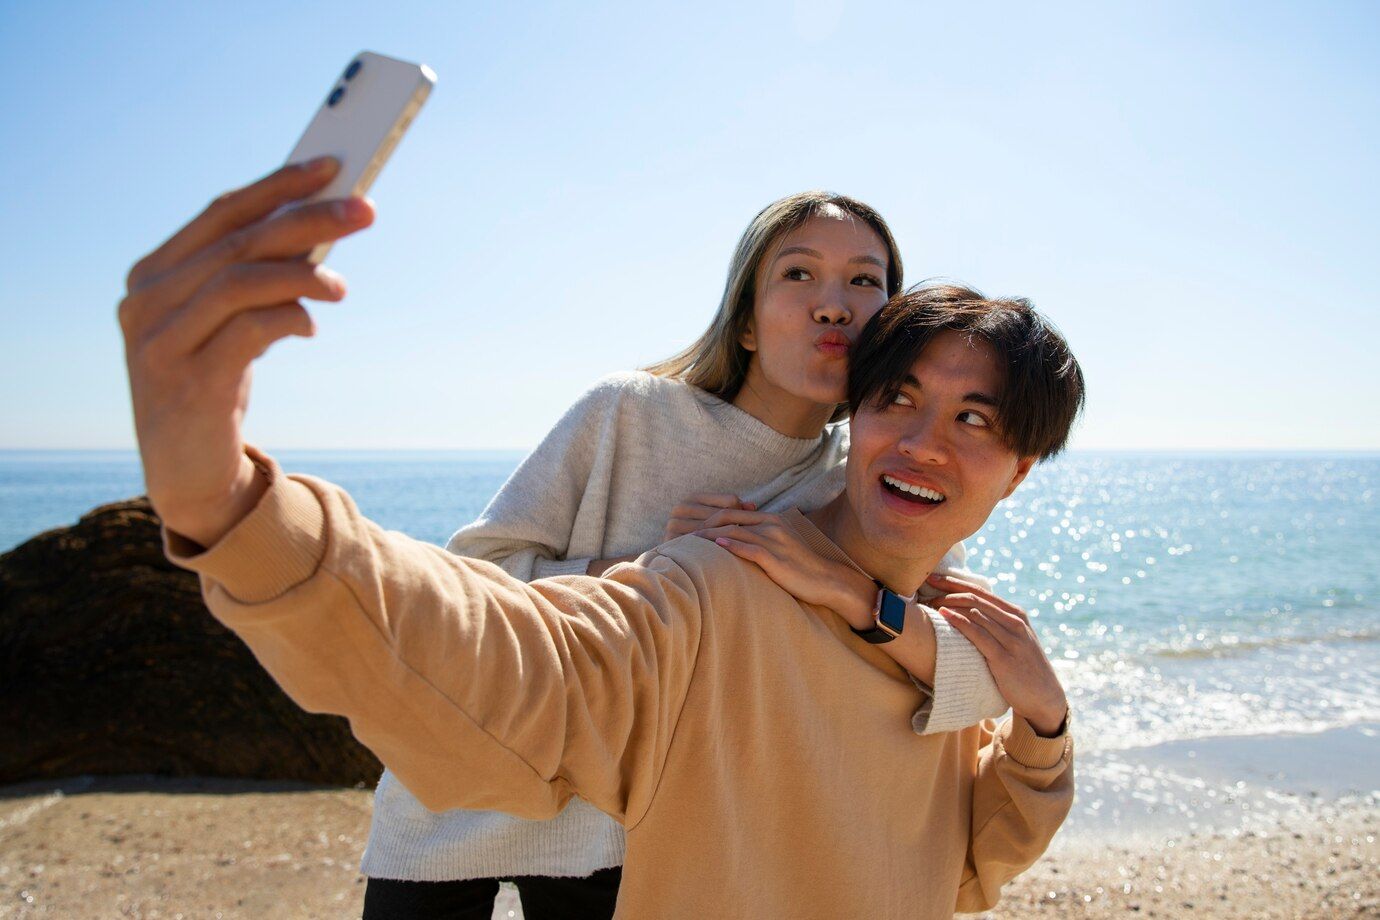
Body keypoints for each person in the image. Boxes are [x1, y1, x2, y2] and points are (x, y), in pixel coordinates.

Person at [122, 171, 1084, 912]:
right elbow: (483, 588)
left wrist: (867, 603)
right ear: (747, 318)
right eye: (798, 274)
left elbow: (956, 660)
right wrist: (231, 508)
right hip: (470, 784)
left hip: (619, 830)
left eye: (864, 282)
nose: (833, 302)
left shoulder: (865, 480)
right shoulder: (634, 415)